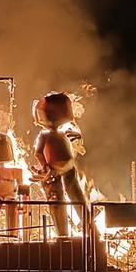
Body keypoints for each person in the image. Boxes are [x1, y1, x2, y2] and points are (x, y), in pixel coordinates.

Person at [32, 92, 89, 238]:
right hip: (54, 173)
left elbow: (69, 150)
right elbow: (38, 153)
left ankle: (90, 229)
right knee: (57, 201)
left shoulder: (63, 134)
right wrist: (45, 167)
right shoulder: (45, 136)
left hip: (69, 170)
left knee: (77, 199)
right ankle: (62, 235)